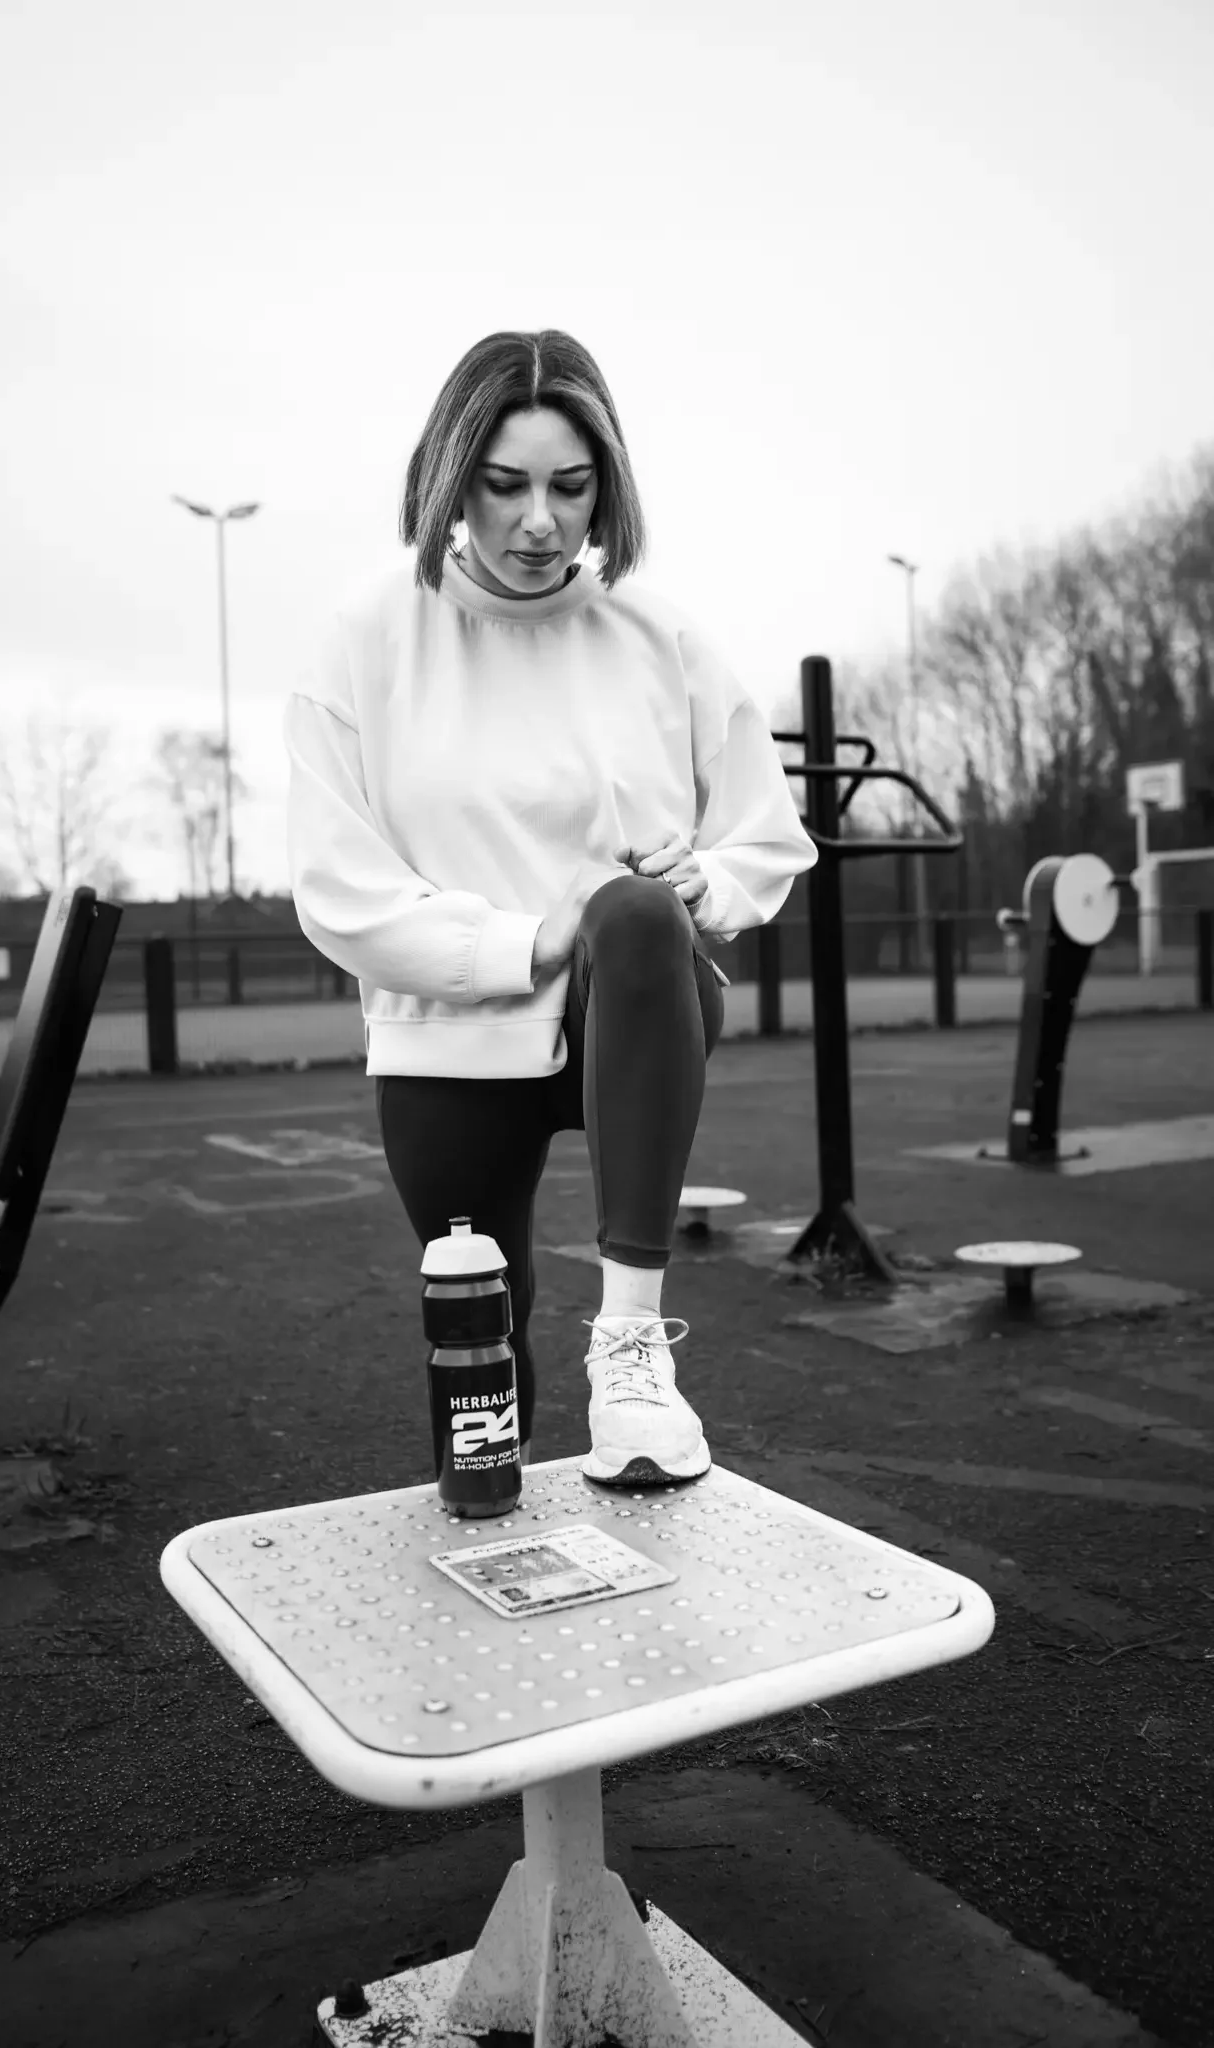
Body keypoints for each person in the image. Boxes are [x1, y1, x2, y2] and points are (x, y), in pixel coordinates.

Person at [285, 329, 817, 1488]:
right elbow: (334, 884)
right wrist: (527, 938)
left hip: (631, 1003)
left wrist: (705, 881)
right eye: (505, 485)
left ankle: (632, 1349)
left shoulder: (661, 636)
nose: (540, 521)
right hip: (451, 1027)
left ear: (605, 488)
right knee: (484, 1380)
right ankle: (498, 1472)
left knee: (636, 914)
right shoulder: (368, 637)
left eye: (571, 488)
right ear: (450, 478)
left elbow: (768, 836)